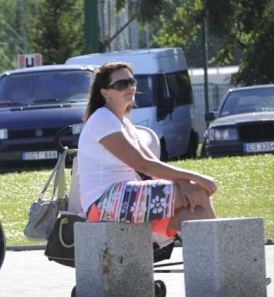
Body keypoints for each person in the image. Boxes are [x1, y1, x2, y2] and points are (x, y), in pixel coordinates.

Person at [78, 62, 217, 236]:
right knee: (199, 191)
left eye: (132, 82)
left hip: (124, 198)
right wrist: (195, 177)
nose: (130, 87)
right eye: (122, 84)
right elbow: (142, 165)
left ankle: (206, 260)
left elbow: (154, 165)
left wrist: (184, 183)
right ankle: (224, 253)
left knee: (196, 212)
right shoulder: (102, 119)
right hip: (103, 202)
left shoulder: (124, 124)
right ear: (105, 93)